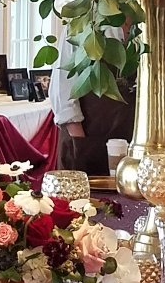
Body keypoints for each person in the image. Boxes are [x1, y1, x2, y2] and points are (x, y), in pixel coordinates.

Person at [49, 28, 135, 175]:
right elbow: (62, 89)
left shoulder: (144, 26)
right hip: (85, 138)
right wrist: (80, 145)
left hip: (128, 142)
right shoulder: (81, 24)